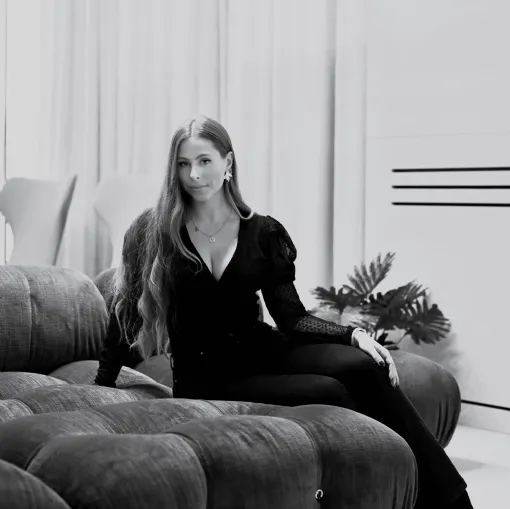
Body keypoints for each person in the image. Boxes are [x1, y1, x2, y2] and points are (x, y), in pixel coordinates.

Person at [95, 115, 473, 509]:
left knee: (363, 366)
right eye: (183, 164)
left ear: (228, 163)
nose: (194, 174)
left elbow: (291, 317)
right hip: (208, 375)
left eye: (204, 161)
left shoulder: (261, 231)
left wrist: (353, 335)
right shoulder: (153, 230)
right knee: (328, 391)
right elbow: (127, 311)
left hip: (263, 349)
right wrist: (103, 381)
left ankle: (451, 500)